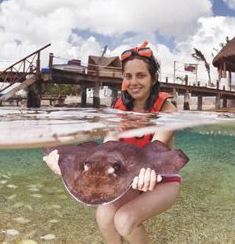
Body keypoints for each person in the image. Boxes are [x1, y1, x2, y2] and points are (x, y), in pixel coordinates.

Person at [44, 42, 179, 243]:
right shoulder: (119, 108)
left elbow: (156, 149)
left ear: (154, 79)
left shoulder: (167, 109)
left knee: (125, 221)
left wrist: (149, 172)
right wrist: (64, 162)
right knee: (104, 216)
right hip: (124, 174)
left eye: (141, 75)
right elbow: (108, 146)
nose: (134, 82)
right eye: (128, 76)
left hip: (159, 176)